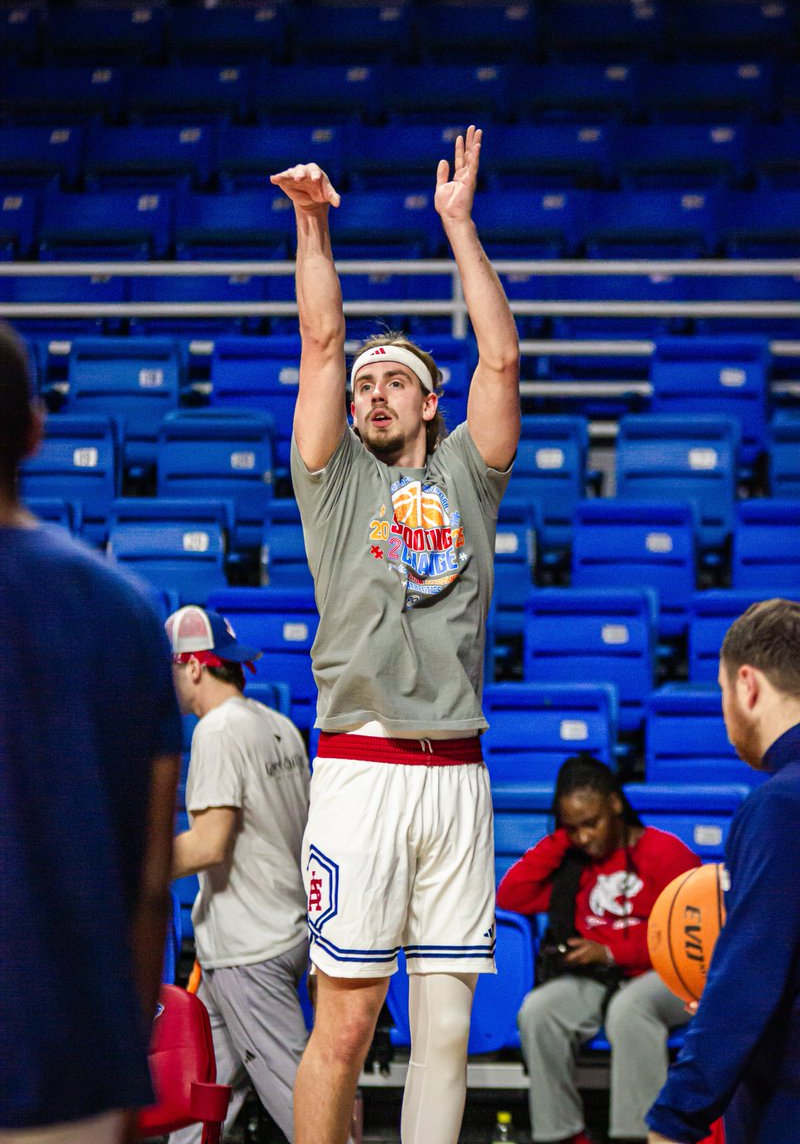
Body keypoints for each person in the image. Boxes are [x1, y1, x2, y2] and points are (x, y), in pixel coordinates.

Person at [269, 123, 520, 1144]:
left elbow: (500, 355)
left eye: (390, 382)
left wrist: (457, 225)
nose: (368, 391)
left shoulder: (465, 473)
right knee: (345, 1022)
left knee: (450, 1030)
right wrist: (312, 227)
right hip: (363, 769)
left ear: (428, 403)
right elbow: (320, 342)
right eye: (361, 383)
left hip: (456, 771)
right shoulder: (332, 485)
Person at [0, 321, 183, 1144]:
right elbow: (150, 876)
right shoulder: (126, 611)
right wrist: (124, 1057)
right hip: (77, 1057)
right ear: (35, 429)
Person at [647, 598, 800, 1144]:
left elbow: (749, 983)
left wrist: (674, 1119)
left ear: (747, 685)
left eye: (719, 692)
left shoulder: (778, 806)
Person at [497, 755, 700, 1144]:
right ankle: (563, 1135)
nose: (584, 837)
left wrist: (609, 952)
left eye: (591, 823)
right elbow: (512, 895)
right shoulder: (574, 864)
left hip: (668, 976)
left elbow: (688, 937)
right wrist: (562, 839)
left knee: (630, 1008)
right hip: (600, 979)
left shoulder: (666, 853)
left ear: (616, 804)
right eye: (573, 828)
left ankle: (638, 1136)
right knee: (538, 1012)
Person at [166, 605, 311, 1144]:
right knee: (196, 1093)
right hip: (274, 933)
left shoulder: (217, 732)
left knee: (305, 1102)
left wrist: (125, 867)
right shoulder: (277, 726)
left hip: (250, 950)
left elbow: (209, 843)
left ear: (195, 667)